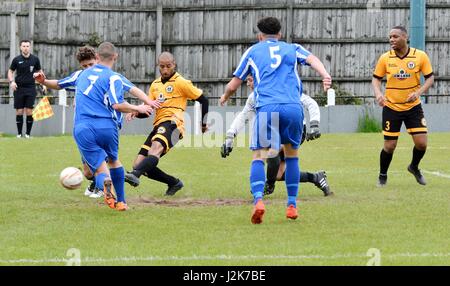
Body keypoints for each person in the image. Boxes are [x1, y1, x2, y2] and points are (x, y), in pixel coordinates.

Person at [220, 17, 331, 224]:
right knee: (292, 157)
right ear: (280, 34)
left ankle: (259, 201)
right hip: (293, 107)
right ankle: (291, 205)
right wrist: (325, 75)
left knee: (258, 157)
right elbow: (313, 60)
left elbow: (234, 84)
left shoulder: (253, 51)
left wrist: (225, 96)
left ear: (259, 35)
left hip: (267, 108)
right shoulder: (292, 48)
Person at [35, 46, 160, 199]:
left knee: (105, 165)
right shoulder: (85, 75)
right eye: (85, 66)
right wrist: (45, 81)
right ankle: (103, 187)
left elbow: (131, 91)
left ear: (98, 59)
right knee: (88, 171)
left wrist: (146, 103)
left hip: (99, 125)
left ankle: (108, 190)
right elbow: (60, 83)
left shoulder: (107, 76)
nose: (88, 68)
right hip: (98, 127)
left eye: (90, 64)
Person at [221, 75, 332, 197]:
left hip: (295, 130)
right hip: (275, 132)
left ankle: (269, 185)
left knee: (270, 151)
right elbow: (243, 116)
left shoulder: (284, 90)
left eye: (250, 80)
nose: (247, 84)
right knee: (279, 174)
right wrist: (230, 137)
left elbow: (311, 103)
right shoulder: (254, 97)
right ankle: (316, 177)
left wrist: (314, 124)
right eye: (247, 80)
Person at [124, 52, 209, 196]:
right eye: (162, 67)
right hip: (159, 126)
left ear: (174, 65)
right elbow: (149, 109)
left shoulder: (181, 82)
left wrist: (203, 123)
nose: (165, 70)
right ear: (158, 66)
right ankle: (173, 183)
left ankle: (135, 175)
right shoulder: (155, 85)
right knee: (139, 163)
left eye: (168, 66)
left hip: (174, 124)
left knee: (154, 150)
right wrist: (136, 112)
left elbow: (204, 100)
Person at [372, 26, 434, 187]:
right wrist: (378, 94)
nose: (391, 39)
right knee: (390, 146)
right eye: (390, 37)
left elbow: (430, 78)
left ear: (405, 37)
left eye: (395, 36)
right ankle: (382, 175)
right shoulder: (385, 58)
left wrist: (418, 92)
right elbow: (376, 79)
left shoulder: (420, 56)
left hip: (413, 107)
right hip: (391, 107)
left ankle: (414, 167)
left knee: (422, 143)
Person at [7, 40, 46, 138]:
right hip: (19, 88)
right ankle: (19, 134)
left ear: (30, 47)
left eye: (27, 46)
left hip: (30, 88)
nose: (25, 48)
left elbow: (40, 71)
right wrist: (12, 82)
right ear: (20, 47)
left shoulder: (35, 59)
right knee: (19, 111)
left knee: (29, 111)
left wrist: (43, 83)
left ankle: (28, 134)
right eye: (23, 46)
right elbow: (10, 71)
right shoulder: (16, 60)